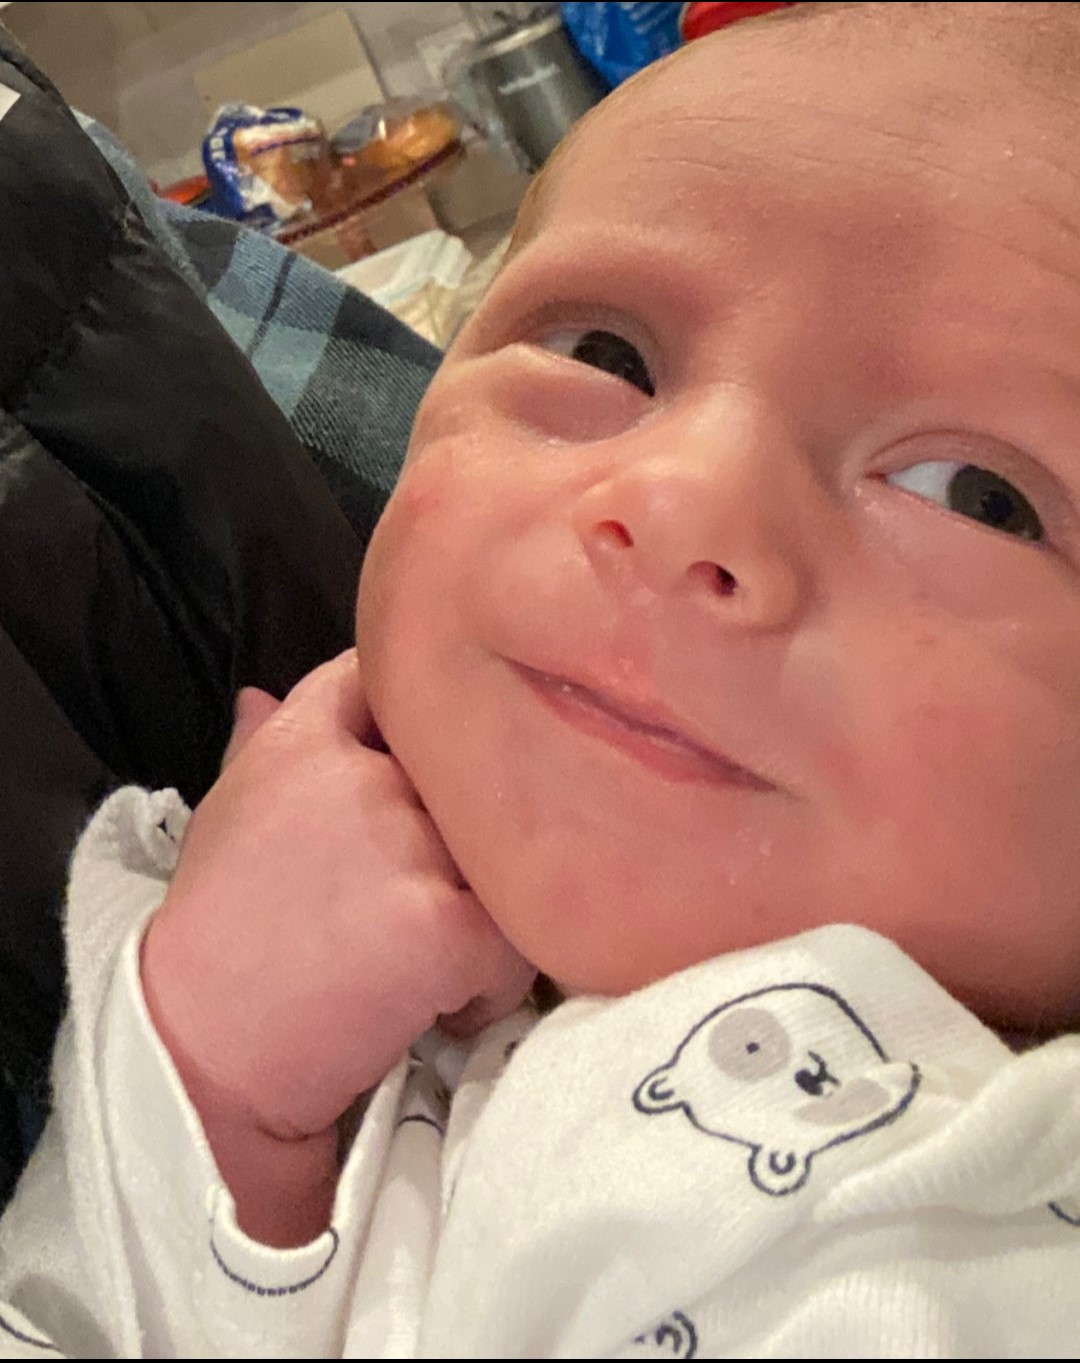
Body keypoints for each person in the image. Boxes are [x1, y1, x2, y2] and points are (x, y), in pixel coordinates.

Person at [3, 1, 1080, 1355]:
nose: (679, 500)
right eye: (607, 358)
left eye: (979, 495)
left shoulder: (994, 1217)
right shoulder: (211, 915)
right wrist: (204, 1088)